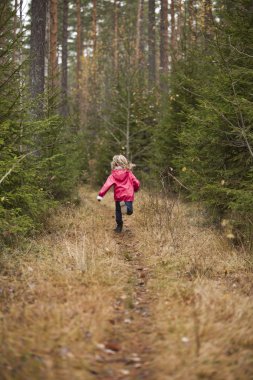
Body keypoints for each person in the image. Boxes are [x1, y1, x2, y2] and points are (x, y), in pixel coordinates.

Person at [97, 155, 140, 233]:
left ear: (114, 164)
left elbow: (106, 185)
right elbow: (136, 182)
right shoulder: (129, 173)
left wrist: (100, 195)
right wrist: (136, 188)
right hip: (128, 195)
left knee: (118, 211)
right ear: (124, 162)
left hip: (119, 196)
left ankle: (119, 226)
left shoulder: (113, 175)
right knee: (129, 211)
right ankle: (126, 209)